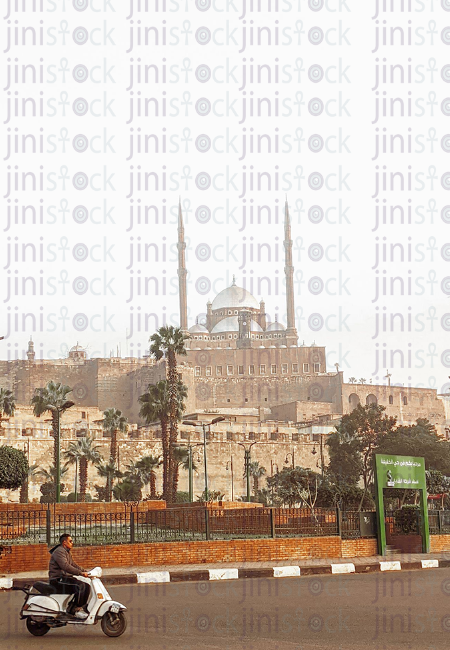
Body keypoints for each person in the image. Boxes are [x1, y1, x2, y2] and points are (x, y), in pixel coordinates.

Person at [49, 533, 90, 619]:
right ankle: (75, 609)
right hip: (57, 580)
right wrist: (80, 573)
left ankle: (74, 607)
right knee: (80, 586)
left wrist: (85, 571)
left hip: (64, 578)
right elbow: (66, 566)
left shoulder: (66, 552)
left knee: (87, 586)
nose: (72, 543)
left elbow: (73, 564)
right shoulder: (59, 551)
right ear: (64, 542)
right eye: (70, 541)